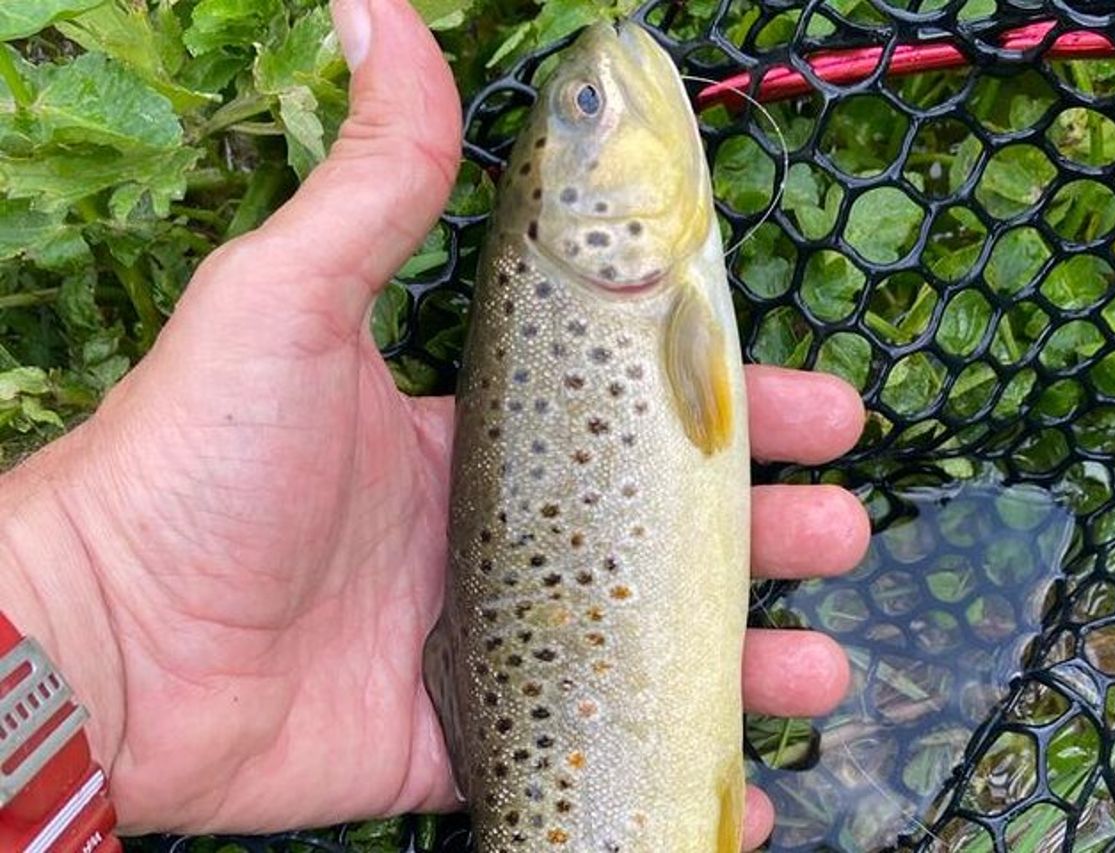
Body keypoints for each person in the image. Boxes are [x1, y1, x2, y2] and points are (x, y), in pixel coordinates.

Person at [0, 0, 870, 847]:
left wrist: (104, 604)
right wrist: (97, 597)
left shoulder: (619, 303)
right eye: (588, 106)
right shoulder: (634, 304)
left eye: (583, 104)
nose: (604, 71)